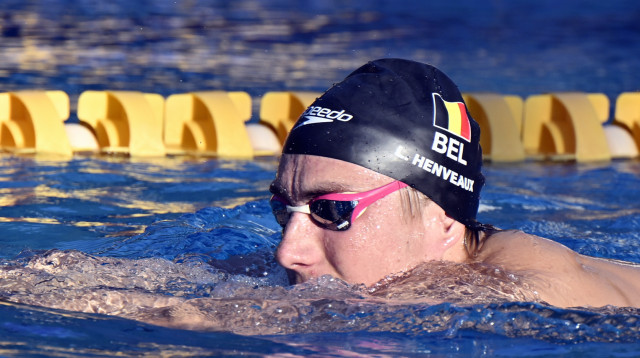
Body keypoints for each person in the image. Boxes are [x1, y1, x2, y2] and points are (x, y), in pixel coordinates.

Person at [269, 58, 640, 309]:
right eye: (283, 209)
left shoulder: (523, 291)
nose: (287, 252)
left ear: (444, 219)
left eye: (330, 210)